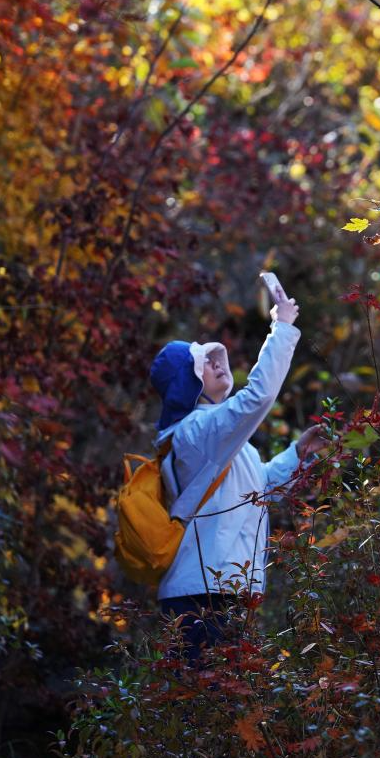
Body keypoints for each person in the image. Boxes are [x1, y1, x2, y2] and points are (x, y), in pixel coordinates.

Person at [149, 279, 326, 662]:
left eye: (215, 358)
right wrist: (282, 327)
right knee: (206, 710)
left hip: (222, 592)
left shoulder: (217, 436)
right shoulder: (195, 433)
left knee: (222, 713)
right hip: (200, 599)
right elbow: (258, 396)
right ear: (186, 383)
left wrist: (297, 454)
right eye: (203, 364)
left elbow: (259, 487)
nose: (215, 364)